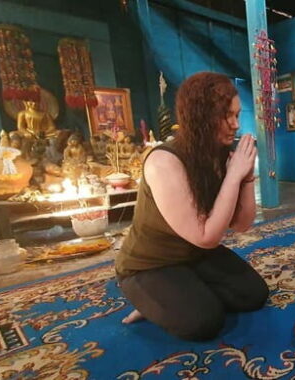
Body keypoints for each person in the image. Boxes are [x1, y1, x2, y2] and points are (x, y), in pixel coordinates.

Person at [116, 72, 268, 341]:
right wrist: (233, 176)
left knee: (254, 294)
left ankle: (174, 297)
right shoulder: (164, 161)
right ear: (201, 116)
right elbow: (206, 237)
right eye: (227, 116)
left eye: (237, 115)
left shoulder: (220, 152)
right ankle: (149, 301)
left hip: (193, 256)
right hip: (150, 264)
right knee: (204, 322)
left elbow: (242, 225)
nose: (235, 125)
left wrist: (244, 178)